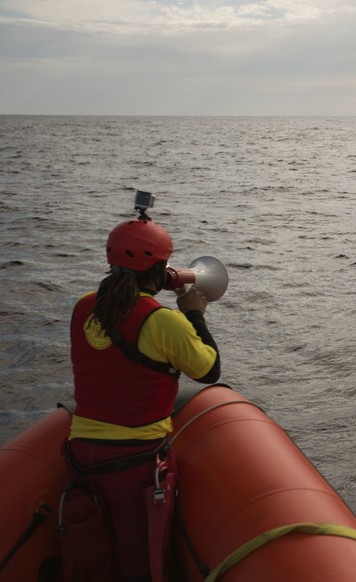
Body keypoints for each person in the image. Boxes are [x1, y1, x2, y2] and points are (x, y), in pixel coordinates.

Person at [67, 208, 220, 581]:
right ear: (159, 269)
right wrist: (194, 313)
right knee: (140, 564)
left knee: (97, 550)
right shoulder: (162, 321)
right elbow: (210, 370)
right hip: (131, 463)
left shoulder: (83, 306)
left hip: (81, 453)